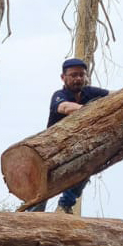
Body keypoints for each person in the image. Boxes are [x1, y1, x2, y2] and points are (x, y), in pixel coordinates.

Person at [40, 57, 109, 213]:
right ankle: (32, 218)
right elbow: (65, 107)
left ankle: (65, 206)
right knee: (42, 189)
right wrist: (91, 110)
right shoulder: (59, 95)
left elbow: (116, 95)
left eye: (81, 75)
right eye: (73, 75)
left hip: (75, 148)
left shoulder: (90, 92)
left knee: (89, 164)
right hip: (51, 149)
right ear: (63, 77)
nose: (78, 79)